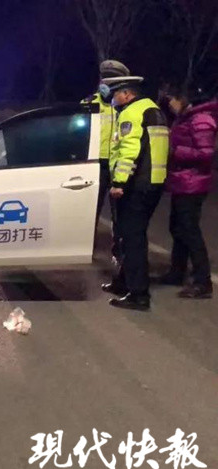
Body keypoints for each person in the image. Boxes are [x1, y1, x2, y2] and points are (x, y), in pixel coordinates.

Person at [102, 76, 170, 311]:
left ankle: (138, 295)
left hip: (136, 185)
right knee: (128, 234)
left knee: (132, 239)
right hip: (153, 182)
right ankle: (123, 282)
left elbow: (129, 151)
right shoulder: (153, 109)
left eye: (115, 94)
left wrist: (119, 182)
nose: (113, 99)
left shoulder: (132, 112)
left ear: (127, 94)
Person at [158, 85, 217, 298]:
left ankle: (203, 281)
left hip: (193, 184)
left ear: (183, 99)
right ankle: (177, 271)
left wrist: (175, 151)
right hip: (182, 181)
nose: (170, 105)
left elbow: (206, 153)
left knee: (190, 231)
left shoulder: (201, 120)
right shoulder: (186, 118)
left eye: (171, 100)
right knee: (177, 228)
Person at [82, 60, 130, 233]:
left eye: (112, 81)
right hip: (96, 164)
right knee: (91, 209)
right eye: (105, 79)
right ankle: (88, 241)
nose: (107, 85)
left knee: (120, 212)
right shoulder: (88, 103)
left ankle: (119, 243)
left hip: (119, 165)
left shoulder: (126, 107)